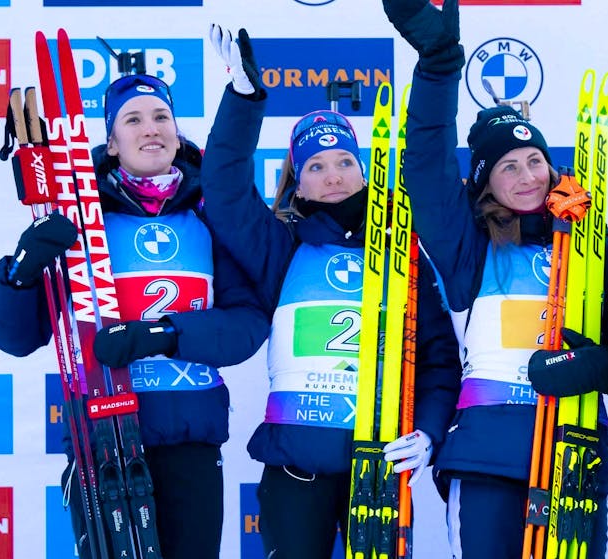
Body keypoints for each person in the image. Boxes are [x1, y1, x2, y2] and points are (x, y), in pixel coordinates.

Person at [0, 71, 269, 559]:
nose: (150, 128)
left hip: (189, 437)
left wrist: (162, 334)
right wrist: (22, 270)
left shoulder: (210, 213)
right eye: (133, 120)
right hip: (101, 436)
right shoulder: (79, 216)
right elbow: (15, 337)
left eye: (161, 116)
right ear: (112, 144)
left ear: (177, 133)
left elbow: (245, 325)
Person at [204, 26, 462, 559]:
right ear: (297, 183)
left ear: (363, 169)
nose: (334, 176)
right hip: (296, 467)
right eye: (316, 167)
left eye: (345, 161)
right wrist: (244, 99)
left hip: (379, 466)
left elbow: (439, 361)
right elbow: (226, 193)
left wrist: (430, 433)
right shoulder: (281, 248)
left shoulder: (402, 254)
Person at [382, 1, 608, 557]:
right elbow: (425, 168)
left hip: (575, 448)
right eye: (507, 166)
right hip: (486, 450)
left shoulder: (587, 237)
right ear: (486, 183)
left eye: (534, 160)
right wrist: (439, 66)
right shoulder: (470, 244)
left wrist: (596, 364)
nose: (527, 176)